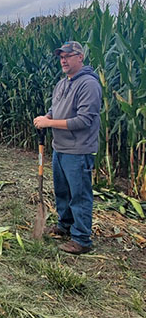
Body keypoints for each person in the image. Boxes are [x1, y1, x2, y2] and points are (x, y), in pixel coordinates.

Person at [34, 41, 102, 255]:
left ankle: (81, 239)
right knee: (62, 191)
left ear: (80, 57)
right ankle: (65, 226)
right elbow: (56, 109)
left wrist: (49, 123)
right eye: (61, 56)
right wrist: (47, 116)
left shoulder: (88, 84)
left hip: (78, 149)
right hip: (60, 147)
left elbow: (84, 120)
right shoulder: (63, 83)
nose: (63, 60)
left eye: (68, 56)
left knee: (79, 195)